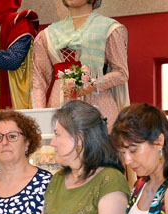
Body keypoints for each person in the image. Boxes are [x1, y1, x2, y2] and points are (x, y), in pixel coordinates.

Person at [31, 0, 129, 131]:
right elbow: (38, 80)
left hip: (98, 103)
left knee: (98, 147)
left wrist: (93, 84)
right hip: (60, 105)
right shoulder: (47, 35)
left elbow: (121, 73)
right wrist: (39, 118)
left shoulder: (109, 29)